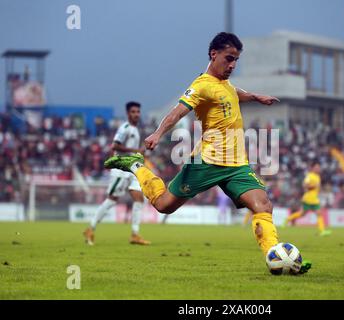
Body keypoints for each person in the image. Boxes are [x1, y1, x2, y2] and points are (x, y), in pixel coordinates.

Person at [104, 32, 311, 273]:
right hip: (206, 161)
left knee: (263, 206)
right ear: (214, 54)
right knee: (163, 205)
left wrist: (255, 97)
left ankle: (275, 257)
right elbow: (177, 112)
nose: (232, 65)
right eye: (229, 58)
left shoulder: (225, 83)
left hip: (237, 165)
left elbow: (234, 93)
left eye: (236, 60)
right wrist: (158, 133)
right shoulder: (201, 85)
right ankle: (136, 166)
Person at [83, 102, 150, 246]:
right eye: (133, 112)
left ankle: (135, 234)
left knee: (139, 199)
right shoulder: (125, 128)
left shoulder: (135, 129)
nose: (136, 114)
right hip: (120, 170)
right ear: (128, 114)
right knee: (112, 200)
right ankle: (90, 228)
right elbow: (115, 145)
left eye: (138, 111)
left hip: (131, 170)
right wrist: (134, 151)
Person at [283, 162, 331, 236]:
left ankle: (288, 219)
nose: (318, 169)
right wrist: (314, 186)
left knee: (303, 214)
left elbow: (317, 187)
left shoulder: (317, 176)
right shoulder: (310, 176)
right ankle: (322, 231)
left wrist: (319, 189)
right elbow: (305, 185)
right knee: (318, 213)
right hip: (309, 198)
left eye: (318, 167)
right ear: (312, 168)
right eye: (316, 167)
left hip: (313, 198)